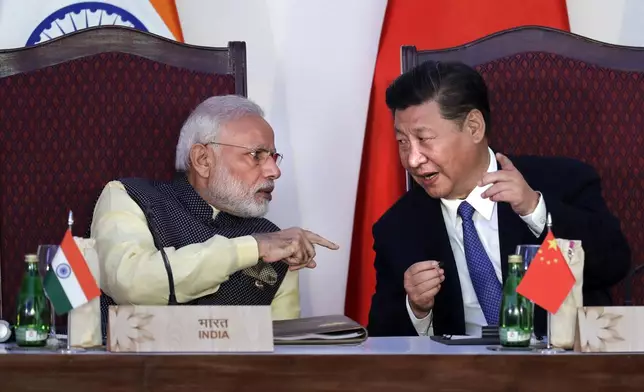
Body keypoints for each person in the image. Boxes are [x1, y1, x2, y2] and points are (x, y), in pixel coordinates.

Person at [367, 60, 631, 338]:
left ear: (474, 127)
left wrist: (535, 210)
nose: (412, 159)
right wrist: (417, 308)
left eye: (424, 138)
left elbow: (613, 265)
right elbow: (381, 342)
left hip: (559, 372)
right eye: (402, 142)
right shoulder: (398, 228)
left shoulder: (562, 182)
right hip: (458, 377)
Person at [91, 95, 339, 328]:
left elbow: (282, 349)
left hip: (237, 374)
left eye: (273, 157)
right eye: (256, 155)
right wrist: (252, 248)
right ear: (203, 160)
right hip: (133, 371)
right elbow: (132, 284)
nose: (274, 171)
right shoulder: (129, 196)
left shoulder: (274, 240)